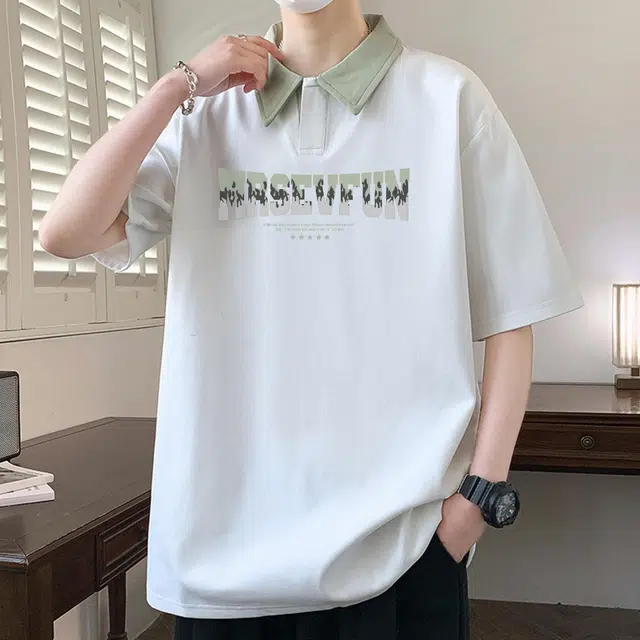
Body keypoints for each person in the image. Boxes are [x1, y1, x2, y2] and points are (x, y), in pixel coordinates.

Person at [40, 0, 584, 637]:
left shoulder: (448, 98)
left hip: (403, 550)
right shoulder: (205, 114)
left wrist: (477, 501)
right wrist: (175, 86)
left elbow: (513, 312)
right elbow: (66, 232)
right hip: (223, 563)